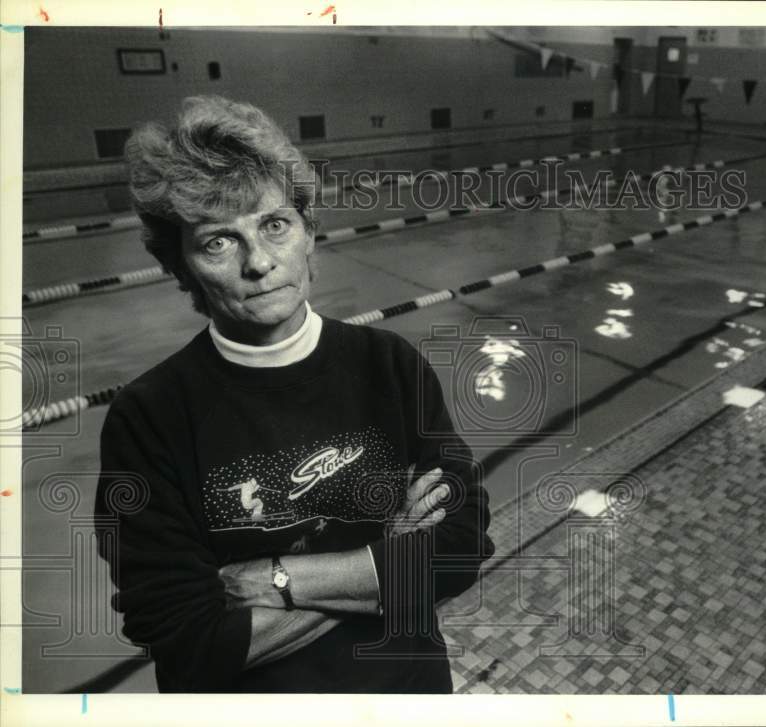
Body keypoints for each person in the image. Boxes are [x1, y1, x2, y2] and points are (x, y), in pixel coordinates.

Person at [93, 95, 495, 693]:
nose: (259, 262)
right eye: (218, 242)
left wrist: (276, 580)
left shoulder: (388, 364)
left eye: (274, 225)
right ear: (182, 270)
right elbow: (188, 641)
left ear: (310, 233)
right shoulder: (148, 419)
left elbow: (461, 544)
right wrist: (389, 562)